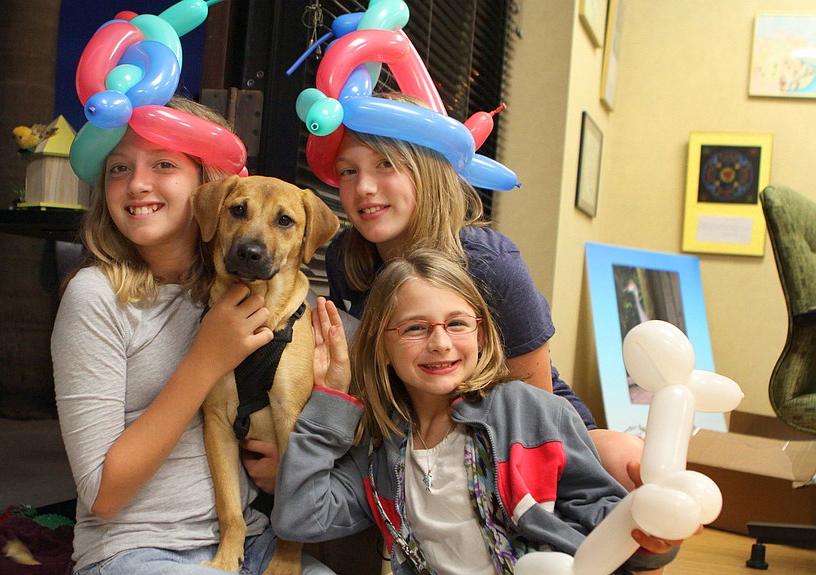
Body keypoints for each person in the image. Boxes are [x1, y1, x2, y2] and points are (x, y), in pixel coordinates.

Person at [52, 96, 335, 575]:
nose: (138, 182)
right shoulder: (95, 297)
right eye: (119, 167)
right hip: (138, 548)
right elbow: (101, 494)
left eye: (162, 163)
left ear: (209, 186)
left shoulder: (237, 293)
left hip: (256, 540)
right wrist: (206, 360)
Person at [272, 248, 687, 574]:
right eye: (416, 328)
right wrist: (329, 404)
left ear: (481, 333)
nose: (440, 343)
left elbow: (600, 515)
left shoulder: (535, 413)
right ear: (381, 346)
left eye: (456, 324)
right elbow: (299, 517)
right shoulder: (380, 445)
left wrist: (650, 528)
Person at [313, 92, 644, 490]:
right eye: (348, 171)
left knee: (630, 467)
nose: (364, 187)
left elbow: (534, 404)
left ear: (429, 170)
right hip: (410, 430)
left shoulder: (489, 262)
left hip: (520, 431)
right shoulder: (345, 258)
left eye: (386, 164)